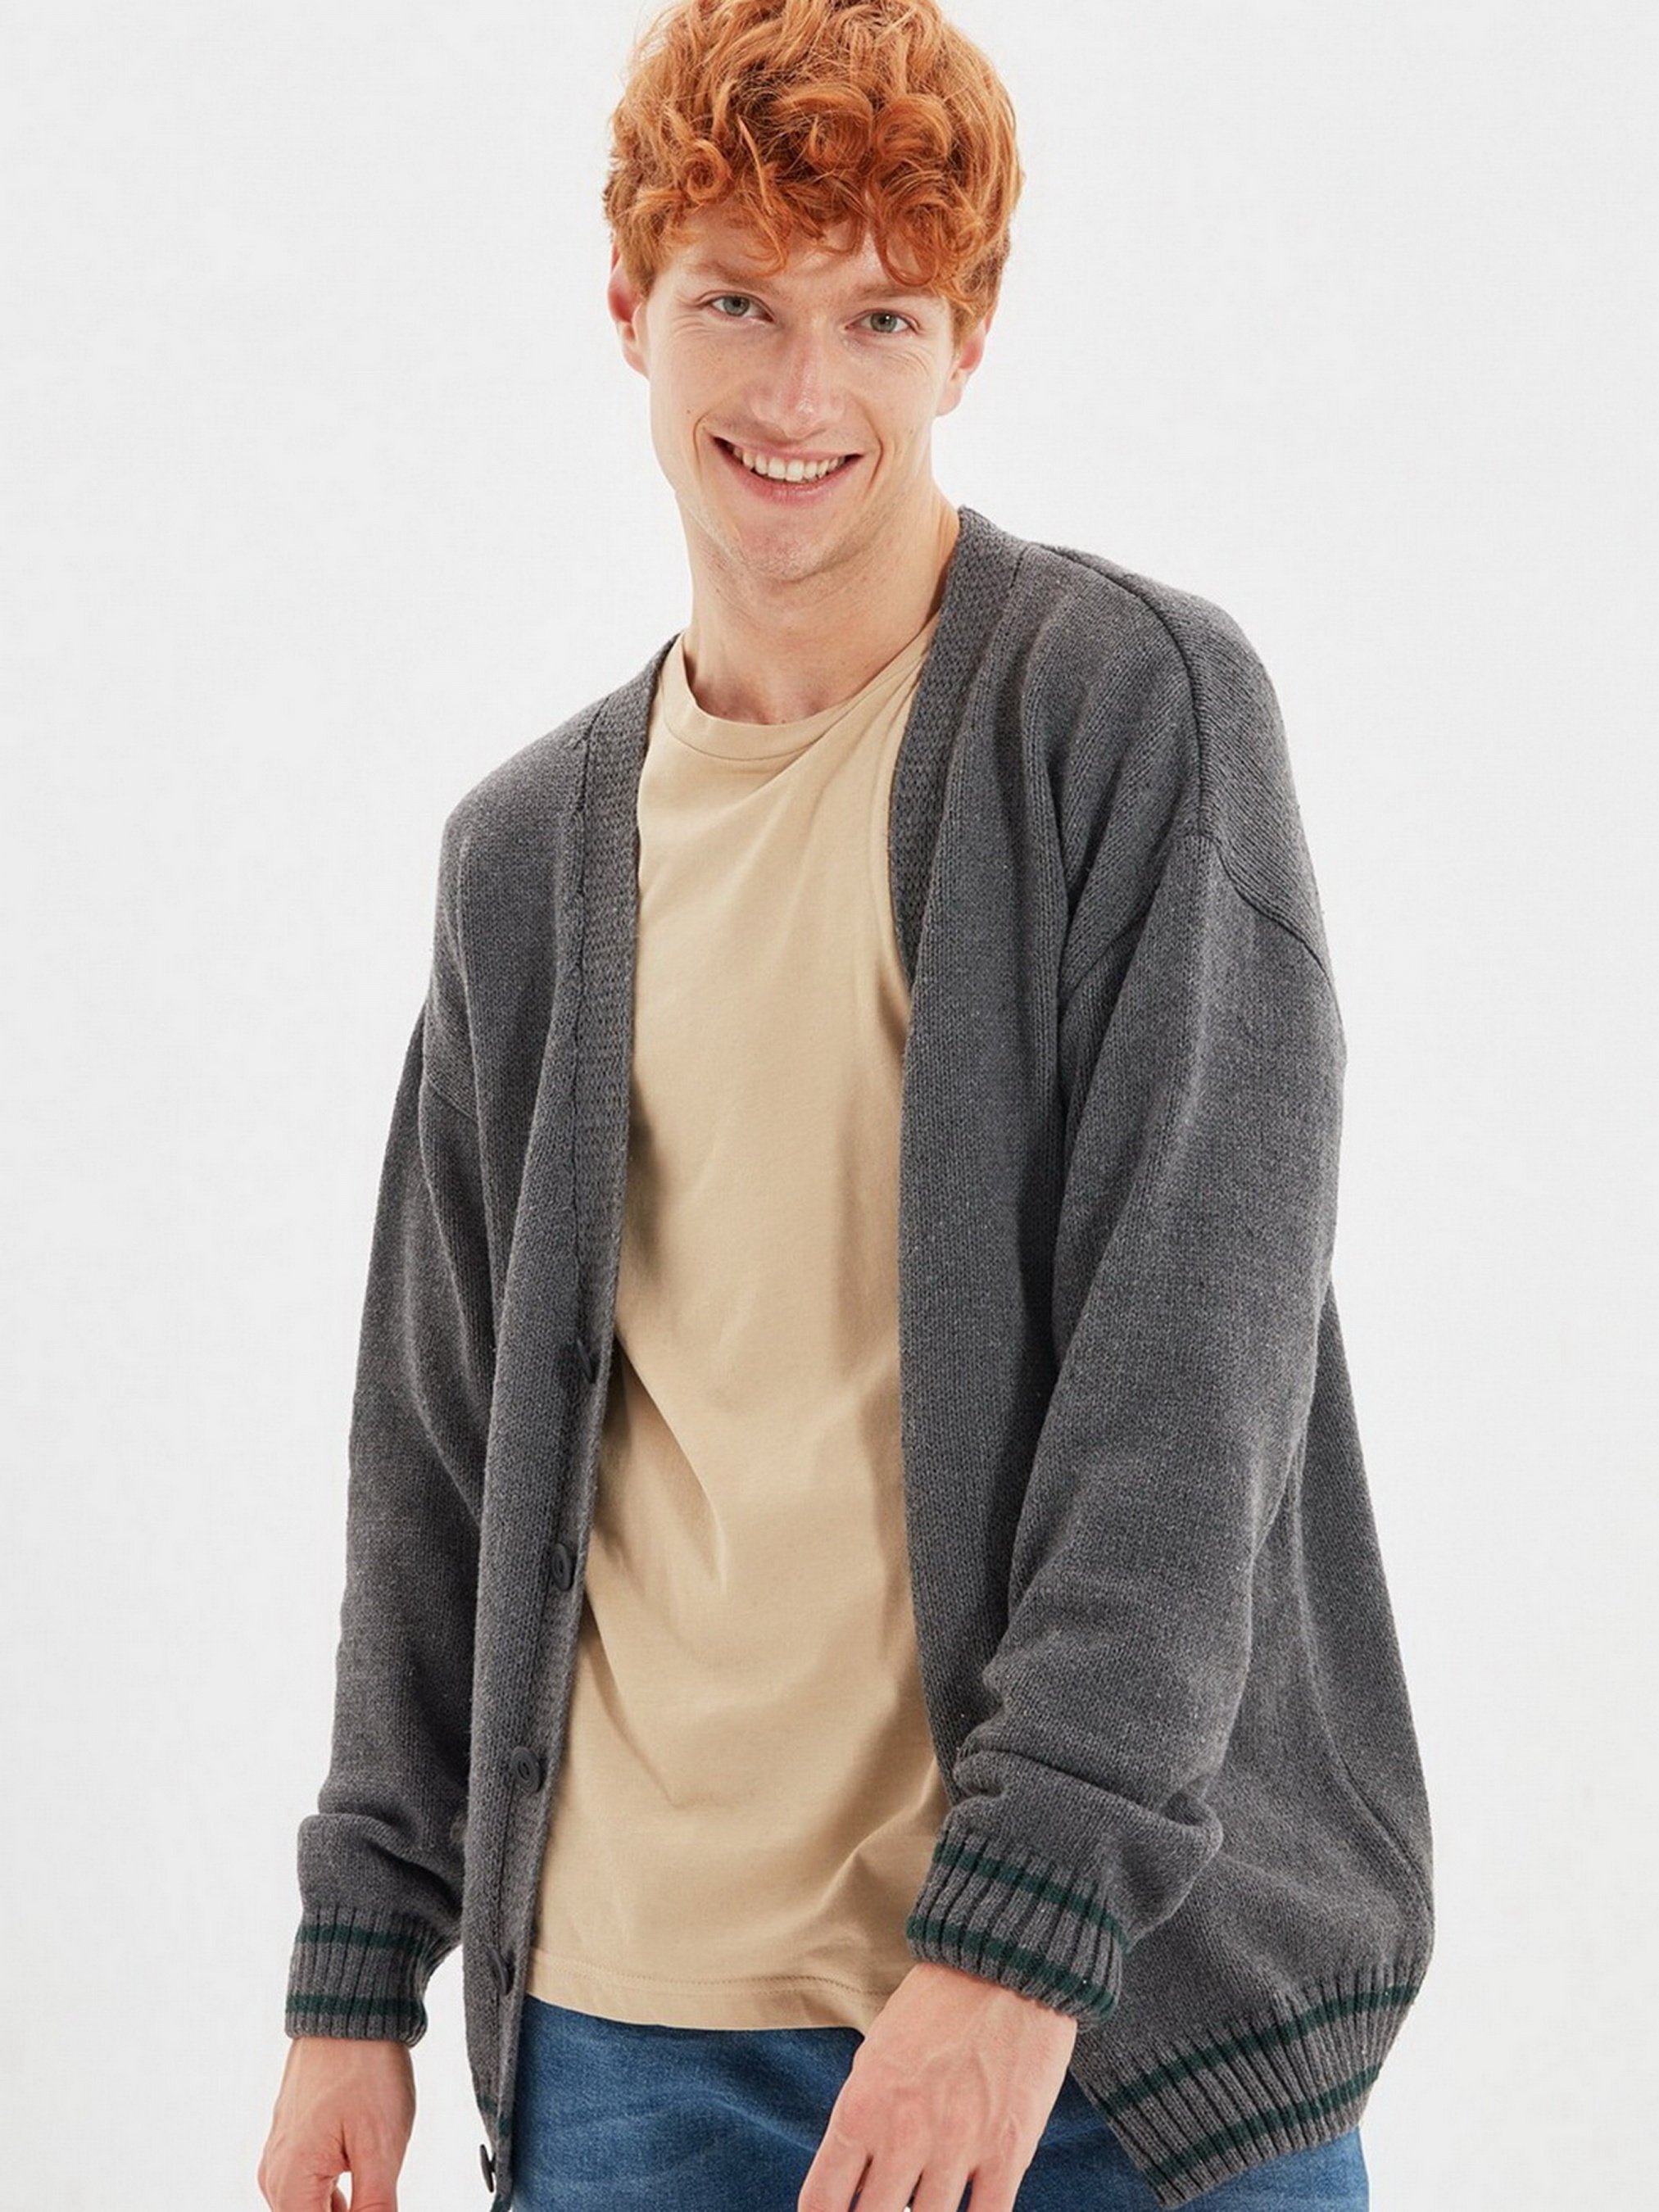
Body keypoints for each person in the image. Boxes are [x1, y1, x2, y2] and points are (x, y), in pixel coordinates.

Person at [259, 3, 1435, 2209]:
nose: (801, 395)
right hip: (630, 2033)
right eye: (738, 302)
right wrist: (358, 1963)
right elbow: (436, 1444)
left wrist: (1013, 1947)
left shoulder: (1122, 714)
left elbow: (1195, 1365)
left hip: (1097, 2032)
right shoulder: (523, 859)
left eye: (878, 316)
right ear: (629, 306)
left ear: (966, 340)